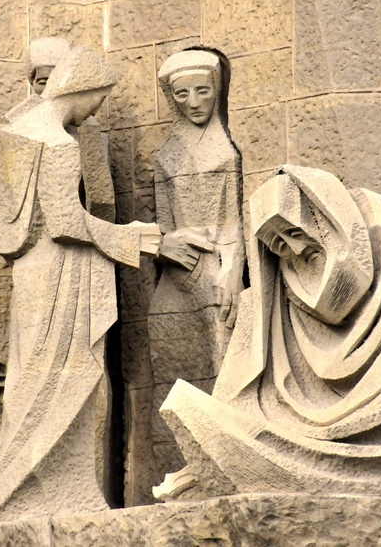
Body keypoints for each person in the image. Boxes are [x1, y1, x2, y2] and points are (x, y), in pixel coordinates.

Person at [0, 46, 161, 521]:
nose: (97, 110)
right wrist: (128, 238)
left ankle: (17, 492)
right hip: (64, 269)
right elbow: (67, 222)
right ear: (80, 89)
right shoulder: (59, 142)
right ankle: (40, 494)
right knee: (67, 375)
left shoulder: (18, 132)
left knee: (32, 378)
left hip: (32, 272)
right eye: (97, 100)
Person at [156, 165, 381, 497]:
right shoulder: (284, 284)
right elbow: (241, 386)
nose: (294, 250)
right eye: (278, 245)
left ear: (321, 216)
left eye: (294, 232)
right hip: (301, 424)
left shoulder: (379, 228)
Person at [148, 48, 246, 480]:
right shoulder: (165, 157)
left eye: (203, 91)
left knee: (222, 363)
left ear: (217, 90)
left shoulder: (226, 153)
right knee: (172, 363)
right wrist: (163, 243)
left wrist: (231, 271)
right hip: (176, 277)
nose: (194, 102)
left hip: (214, 271)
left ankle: (225, 465)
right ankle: (183, 466)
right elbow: (163, 226)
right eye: (183, 94)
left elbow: (233, 223)